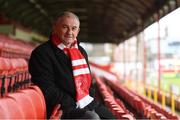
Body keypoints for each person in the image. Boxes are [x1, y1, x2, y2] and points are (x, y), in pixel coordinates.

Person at [28, 11, 115, 119]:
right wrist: (74, 104)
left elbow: (88, 83)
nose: (69, 32)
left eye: (73, 28)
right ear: (55, 27)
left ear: (78, 31)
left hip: (85, 102)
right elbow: (46, 89)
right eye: (65, 27)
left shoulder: (81, 51)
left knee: (110, 117)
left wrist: (88, 98)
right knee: (92, 118)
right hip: (60, 107)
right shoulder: (41, 53)